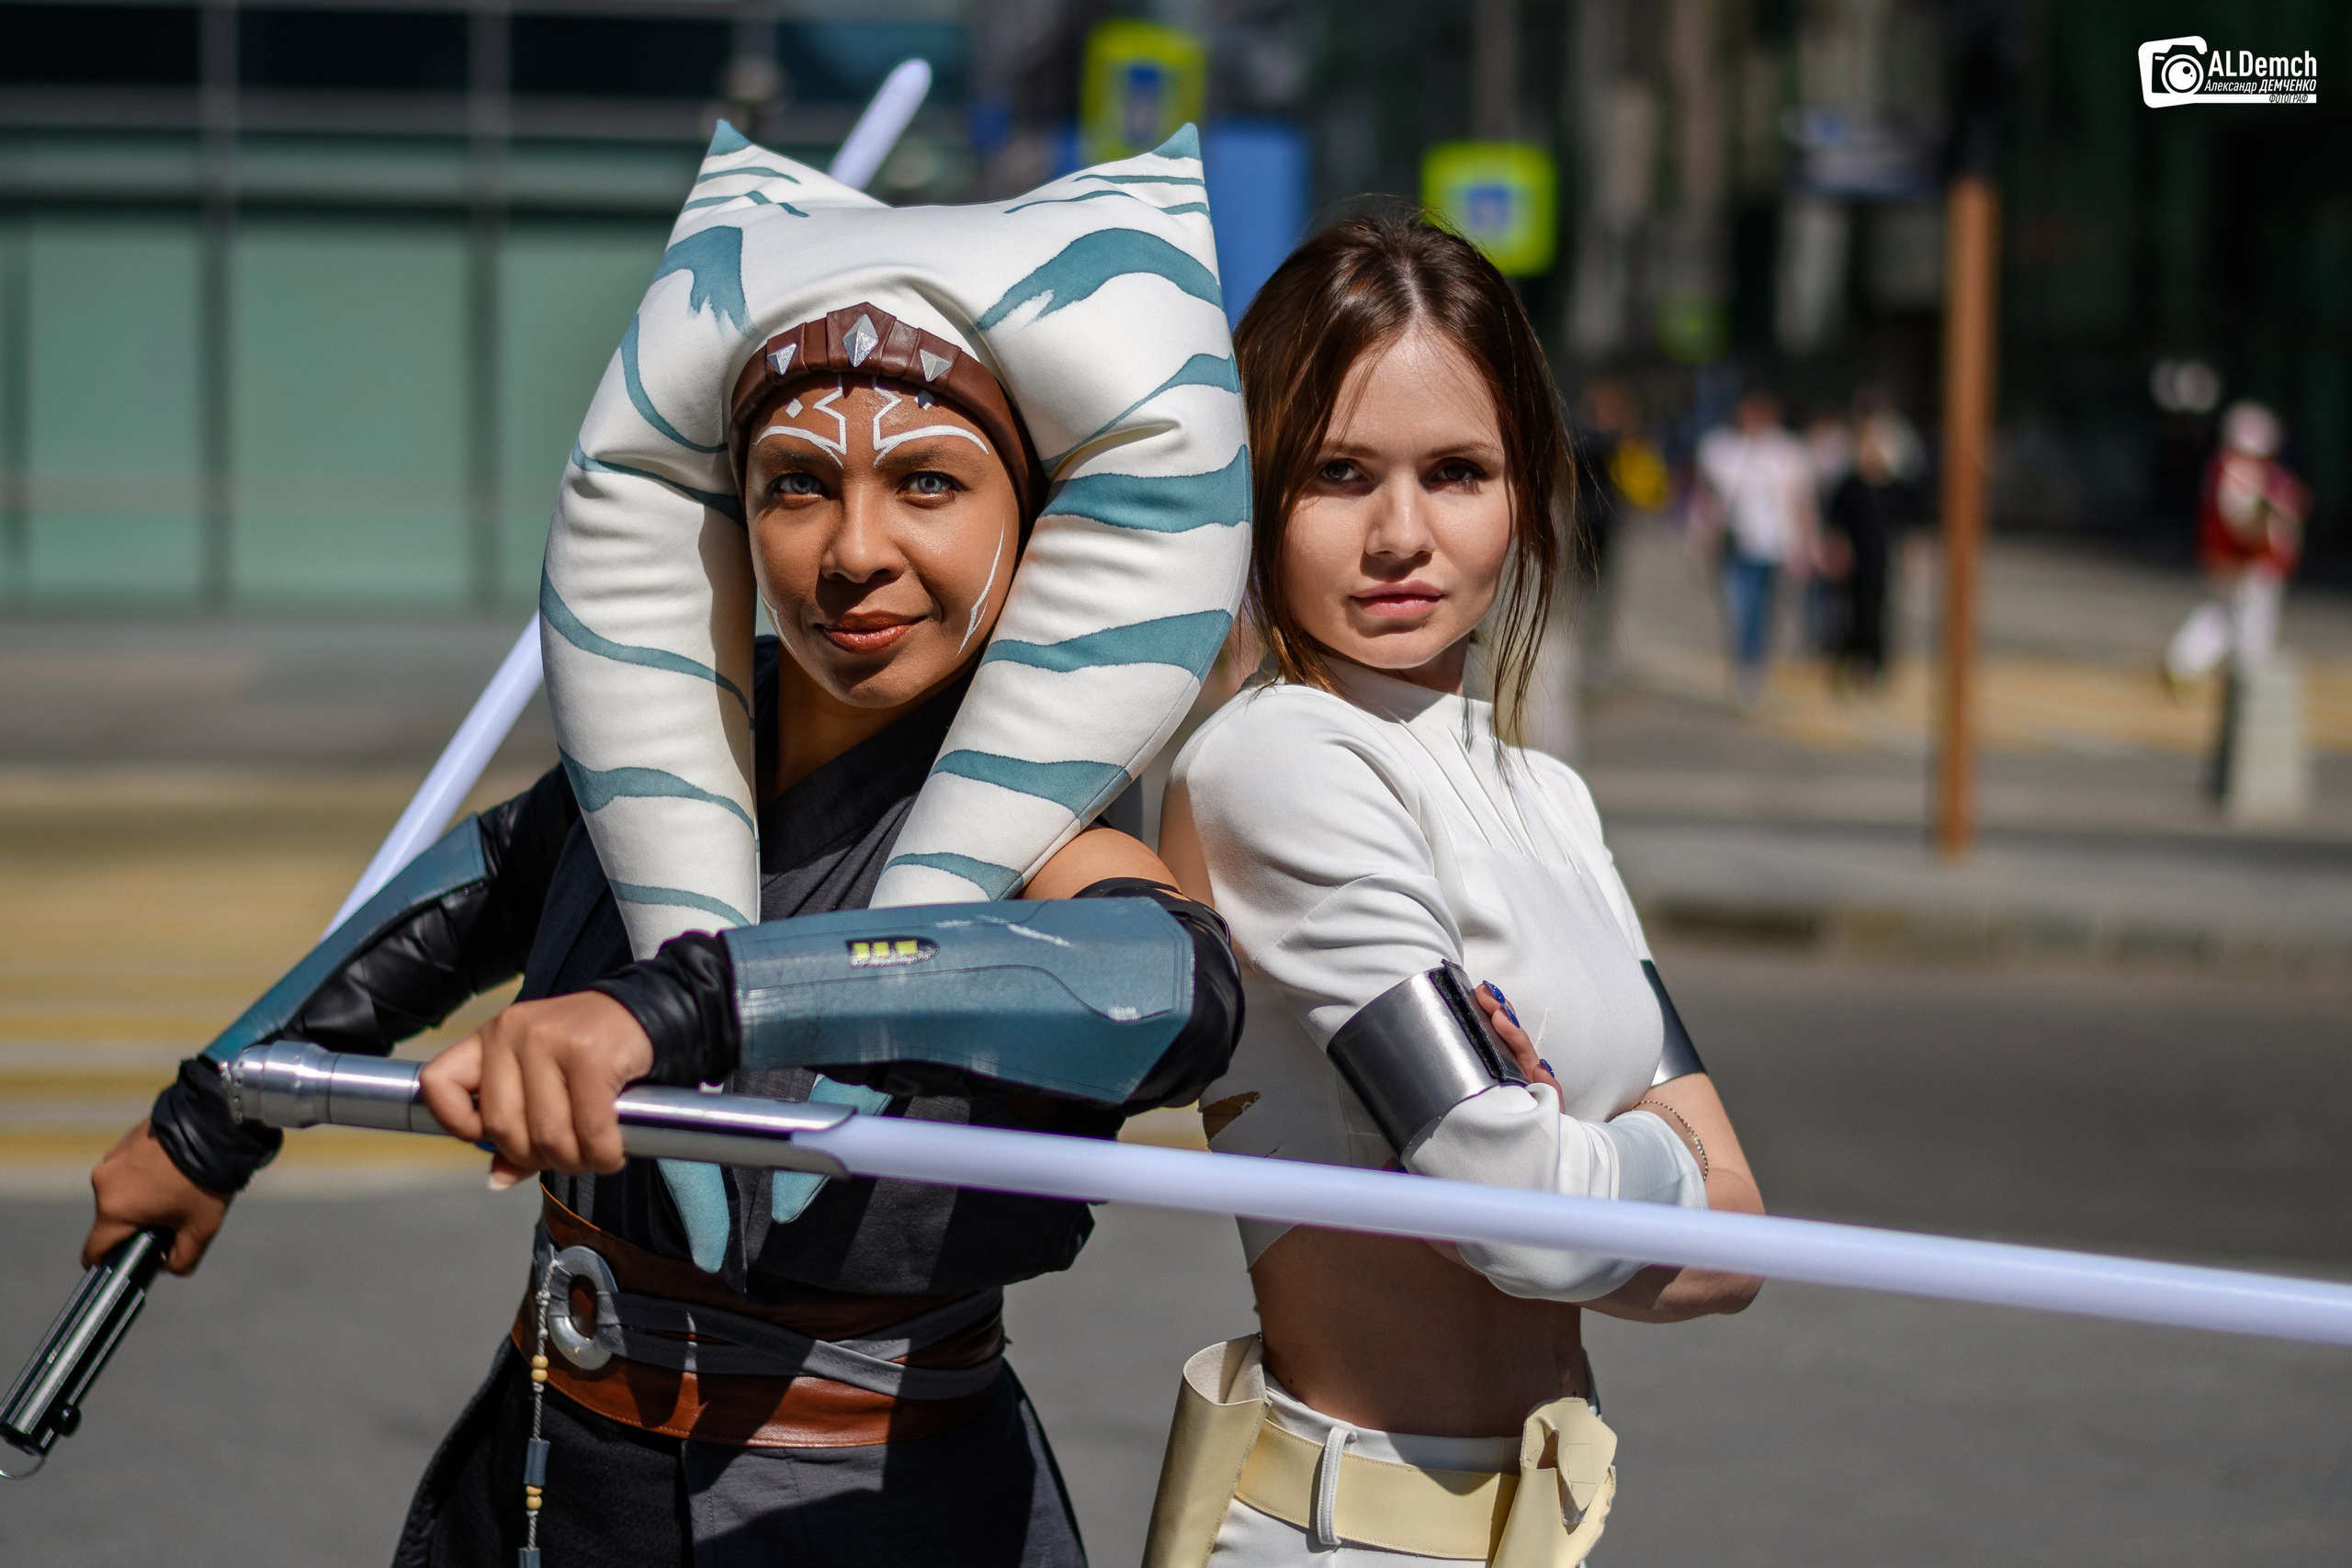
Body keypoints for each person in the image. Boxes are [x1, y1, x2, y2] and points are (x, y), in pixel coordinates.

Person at [80, 123, 1252, 1568]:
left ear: (1041, 516)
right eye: (796, 485)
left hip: (872, 1518)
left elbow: (1166, 985)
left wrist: (683, 1002)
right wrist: (214, 1117)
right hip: (539, 1485)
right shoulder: (649, 780)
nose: (854, 552)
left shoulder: (1053, 837)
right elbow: (448, 913)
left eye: (932, 484)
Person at [1146, 212, 1763, 1568]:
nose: (1400, 534)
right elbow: (1524, 1214)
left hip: (1535, 1526)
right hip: (1337, 1530)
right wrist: (1649, 1160)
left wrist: (1558, 1146)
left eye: (1459, 470)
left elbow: (1745, 1238)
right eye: (1338, 472)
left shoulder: (1547, 791)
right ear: (1254, 492)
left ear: (1526, 485)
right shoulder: (1280, 757)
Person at [2165, 399, 2308, 693]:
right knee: (2251, 629)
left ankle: (2184, 660)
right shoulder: (2242, 471)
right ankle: (2245, 692)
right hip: (2246, 561)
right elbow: (2243, 521)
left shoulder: (2226, 467)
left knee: (2223, 617)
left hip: (2228, 558)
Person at [1694, 388, 1817, 707]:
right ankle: (1744, 666)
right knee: (1741, 608)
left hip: (1776, 547)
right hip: (1738, 546)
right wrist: (1703, 536)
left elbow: (1802, 502)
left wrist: (1806, 544)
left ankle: (1755, 664)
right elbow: (1707, 499)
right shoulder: (1722, 449)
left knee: (1764, 610)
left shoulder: (1789, 452)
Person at [1821, 412, 1928, 691]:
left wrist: (1911, 558)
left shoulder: (1895, 487)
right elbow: (1835, 524)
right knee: (1848, 613)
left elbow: (1907, 526)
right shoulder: (1850, 485)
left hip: (1880, 559)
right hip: (1852, 560)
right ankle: (1846, 660)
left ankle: (1873, 664)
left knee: (1878, 613)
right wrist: (1835, 550)